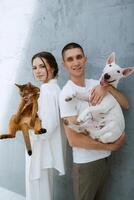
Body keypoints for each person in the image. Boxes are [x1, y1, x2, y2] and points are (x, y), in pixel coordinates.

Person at [59, 42, 128, 200]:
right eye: (70, 59)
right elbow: (73, 139)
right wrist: (112, 145)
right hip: (86, 164)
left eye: (79, 57)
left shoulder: (95, 84)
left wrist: (107, 88)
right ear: (64, 64)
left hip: (104, 160)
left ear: (85, 59)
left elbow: (126, 104)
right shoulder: (67, 94)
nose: (76, 62)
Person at [26, 51, 65, 200]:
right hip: (42, 150)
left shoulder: (47, 90)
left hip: (38, 151)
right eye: (34, 67)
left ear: (53, 68)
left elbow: (47, 128)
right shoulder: (53, 89)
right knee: (42, 191)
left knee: (38, 192)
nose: (37, 71)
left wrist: (29, 128)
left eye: (42, 66)